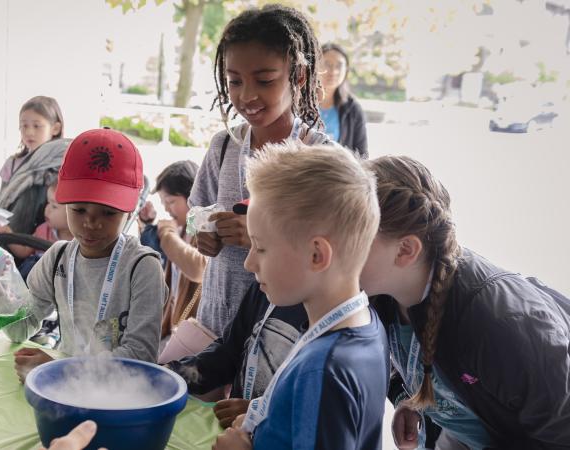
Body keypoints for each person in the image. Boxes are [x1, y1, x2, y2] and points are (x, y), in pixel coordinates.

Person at [360, 155, 570, 450]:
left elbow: (560, 435)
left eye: (354, 236)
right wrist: (409, 398)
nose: (336, 249)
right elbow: (413, 359)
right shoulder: (385, 291)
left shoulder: (503, 326)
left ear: (406, 250)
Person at [213, 142, 389, 450]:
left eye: (261, 248)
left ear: (316, 255)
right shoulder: (366, 327)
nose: (249, 263)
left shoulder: (323, 371)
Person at [190, 4, 349, 338]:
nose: (247, 95)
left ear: (299, 76)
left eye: (264, 81)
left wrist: (263, 239)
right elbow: (195, 211)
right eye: (234, 81)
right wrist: (202, 232)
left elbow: (340, 253)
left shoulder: (322, 159)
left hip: (281, 336)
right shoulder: (223, 146)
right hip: (214, 323)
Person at [0, 129, 166, 381]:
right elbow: (20, 329)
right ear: (64, 204)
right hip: (63, 391)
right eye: (79, 209)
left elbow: (141, 357)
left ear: (130, 212)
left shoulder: (142, 268)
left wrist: (61, 370)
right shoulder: (57, 258)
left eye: (108, 213)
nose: (91, 223)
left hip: (118, 396)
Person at [166, 275, 307, 428]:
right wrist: (173, 374)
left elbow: (314, 415)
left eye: (262, 252)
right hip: (234, 433)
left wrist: (259, 413)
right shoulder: (264, 288)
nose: (248, 265)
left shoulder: (323, 325)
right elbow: (229, 353)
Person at [138, 161, 206, 340]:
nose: (166, 209)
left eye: (171, 202)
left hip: (191, 337)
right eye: (164, 203)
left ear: (192, 196)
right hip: (173, 331)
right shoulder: (183, 229)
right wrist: (149, 224)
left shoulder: (206, 230)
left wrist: (166, 233)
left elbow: (199, 268)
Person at [0, 96, 67, 236]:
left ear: (55, 128)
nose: (29, 132)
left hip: (47, 238)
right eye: (24, 126)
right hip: (12, 233)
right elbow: (3, 199)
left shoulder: (63, 163)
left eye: (36, 126)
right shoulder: (12, 163)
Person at [318, 42, 368, 157]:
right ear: (315, 66)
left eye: (339, 66)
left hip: (339, 168)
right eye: (327, 64)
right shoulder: (298, 103)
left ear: (346, 70)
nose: (333, 71)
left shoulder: (353, 109)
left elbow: (362, 155)